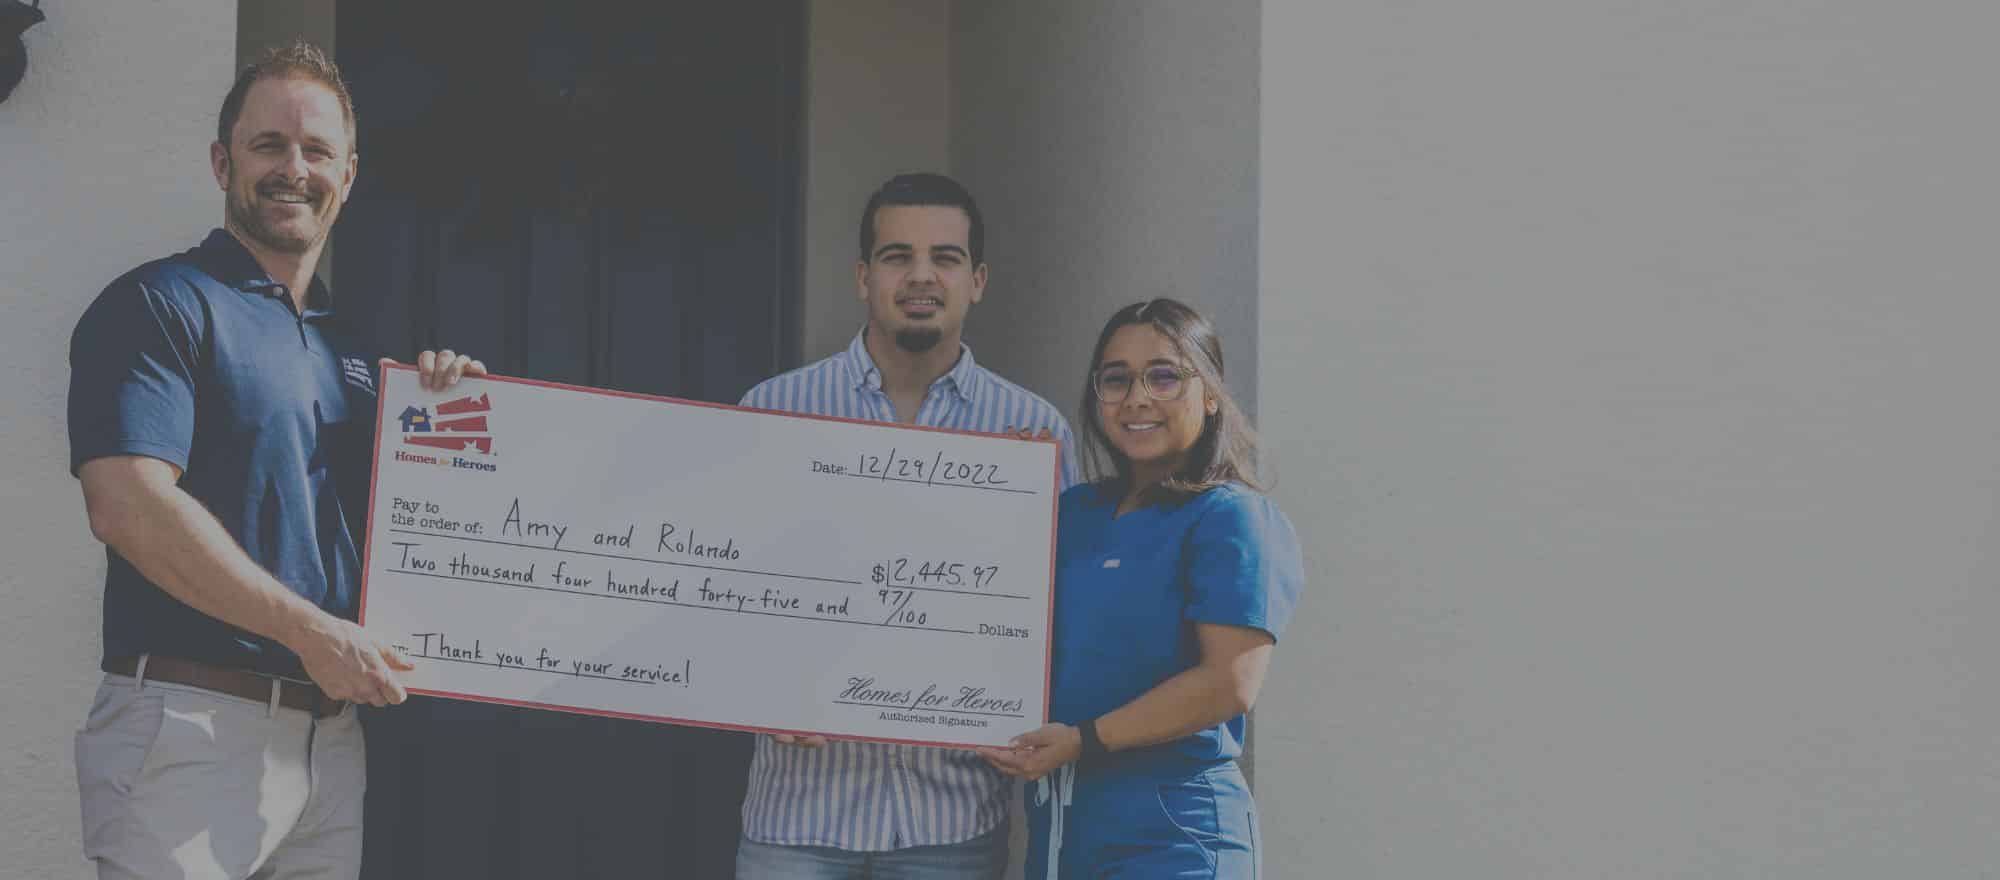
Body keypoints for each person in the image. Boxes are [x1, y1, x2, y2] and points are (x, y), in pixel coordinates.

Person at [67, 42, 483, 880]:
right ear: (223, 160)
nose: (294, 169)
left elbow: (396, 528)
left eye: (317, 151)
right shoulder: (158, 305)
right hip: (190, 729)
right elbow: (127, 505)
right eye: (269, 145)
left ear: (349, 176)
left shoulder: (352, 351)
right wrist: (309, 633)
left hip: (327, 745)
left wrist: (451, 423)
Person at [733, 172, 1079, 879]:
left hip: (950, 822)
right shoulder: (773, 413)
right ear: (864, 277)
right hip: (796, 817)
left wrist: (1038, 713)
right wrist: (750, 688)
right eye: (897, 256)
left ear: (976, 279)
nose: (921, 275)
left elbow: (1063, 609)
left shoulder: (1034, 432)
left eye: (945, 258)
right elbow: (717, 592)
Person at [980, 298, 1304, 878]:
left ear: (1210, 395)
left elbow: (1228, 683)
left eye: (1163, 375)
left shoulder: (1231, 517)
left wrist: (1085, 739)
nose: (1137, 397)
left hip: (1175, 840)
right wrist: (1006, 488)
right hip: (1060, 838)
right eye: (1116, 378)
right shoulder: (1072, 513)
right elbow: (989, 613)